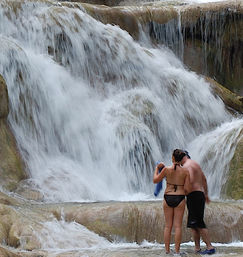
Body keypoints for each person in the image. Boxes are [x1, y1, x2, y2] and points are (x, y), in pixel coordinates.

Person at [153, 149, 191, 255]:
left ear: (173, 158)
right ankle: (177, 251)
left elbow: (155, 180)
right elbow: (187, 189)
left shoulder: (166, 169)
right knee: (178, 226)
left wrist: (157, 168)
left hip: (168, 196)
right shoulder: (186, 171)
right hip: (180, 197)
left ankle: (167, 250)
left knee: (168, 226)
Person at [181, 150, 215, 255]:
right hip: (198, 195)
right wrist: (206, 194)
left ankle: (210, 247)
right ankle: (197, 248)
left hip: (194, 195)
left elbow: (189, 180)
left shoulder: (187, 166)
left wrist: (183, 192)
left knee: (199, 223)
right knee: (194, 224)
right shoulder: (195, 165)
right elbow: (204, 179)